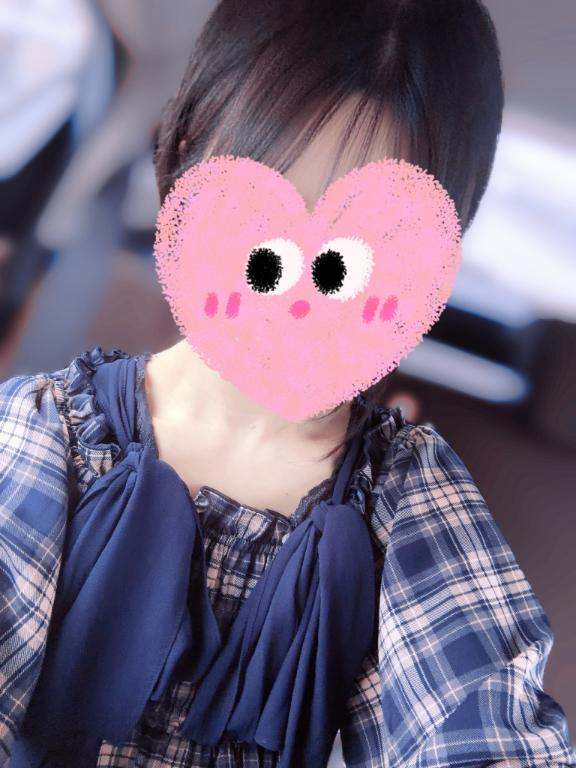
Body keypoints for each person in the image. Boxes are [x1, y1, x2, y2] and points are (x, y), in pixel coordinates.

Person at [1, 1, 575, 766]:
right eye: (263, 239)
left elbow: (478, 723)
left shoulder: (405, 500)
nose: (299, 297)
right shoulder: (44, 434)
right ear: (184, 163)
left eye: (351, 258)